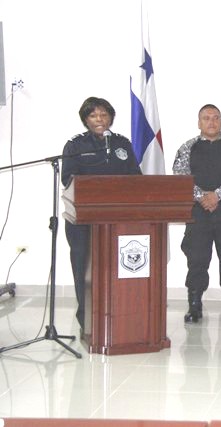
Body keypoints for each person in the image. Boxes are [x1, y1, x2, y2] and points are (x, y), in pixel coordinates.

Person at [62, 97, 142, 330]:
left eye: (104, 115)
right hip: (83, 221)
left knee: (116, 269)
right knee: (83, 268)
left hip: (116, 220)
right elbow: (68, 179)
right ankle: (86, 318)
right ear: (86, 120)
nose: (99, 119)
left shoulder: (121, 143)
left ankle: (116, 313)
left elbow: (135, 177)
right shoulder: (75, 145)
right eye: (94, 115)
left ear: (110, 118)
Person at [173, 104, 221, 323]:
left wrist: (217, 196)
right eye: (206, 118)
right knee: (196, 258)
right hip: (198, 212)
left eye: (215, 118)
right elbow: (180, 175)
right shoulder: (187, 147)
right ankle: (194, 305)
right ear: (199, 123)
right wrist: (201, 197)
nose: (211, 122)